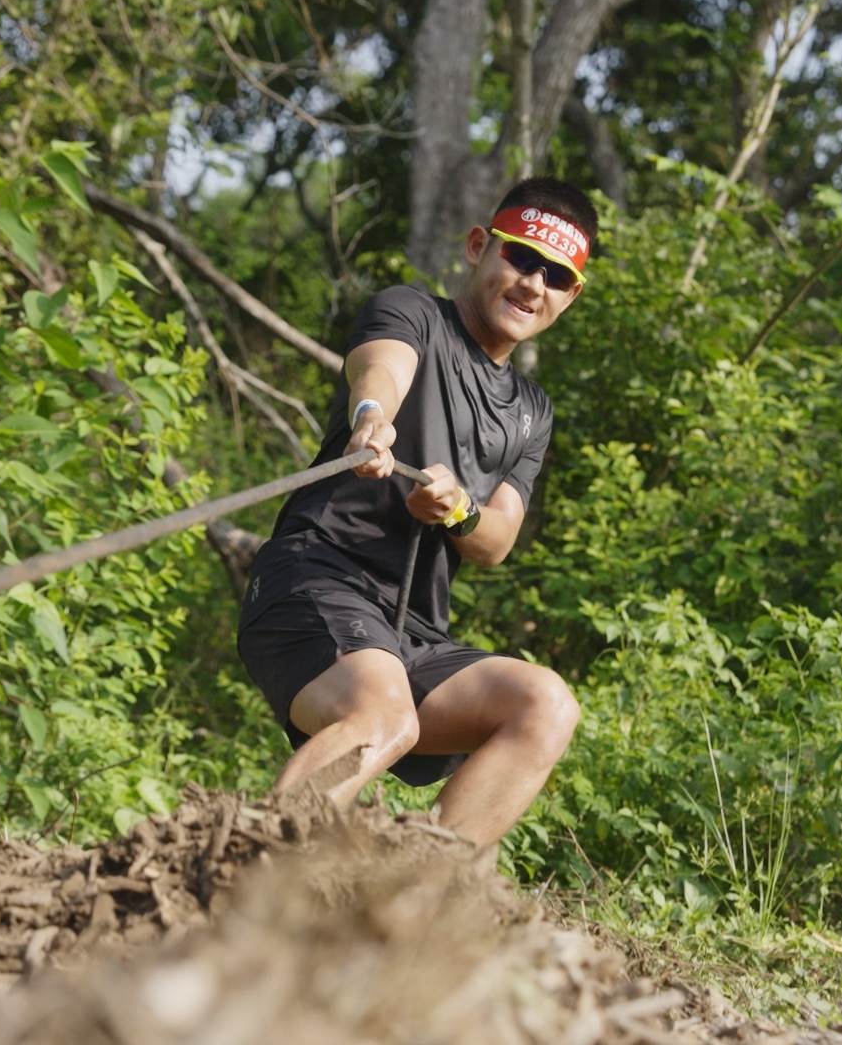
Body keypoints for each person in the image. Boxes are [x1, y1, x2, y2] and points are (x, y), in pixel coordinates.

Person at [236, 176, 597, 848]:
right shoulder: (412, 313)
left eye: (555, 275)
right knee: (385, 716)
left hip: (411, 633)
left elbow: (495, 541)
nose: (532, 283)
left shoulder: (531, 412)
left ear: (571, 294)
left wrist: (461, 511)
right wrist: (371, 421)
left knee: (545, 705)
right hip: (315, 579)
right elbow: (380, 373)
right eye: (521, 257)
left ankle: (408, 901)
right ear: (479, 247)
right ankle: (240, 874)